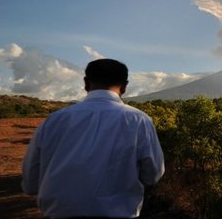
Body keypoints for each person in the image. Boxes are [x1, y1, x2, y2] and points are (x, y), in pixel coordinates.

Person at [22, 58, 165, 219]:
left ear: (86, 83)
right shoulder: (139, 120)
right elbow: (153, 174)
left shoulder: (54, 120)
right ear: (124, 86)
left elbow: (31, 181)